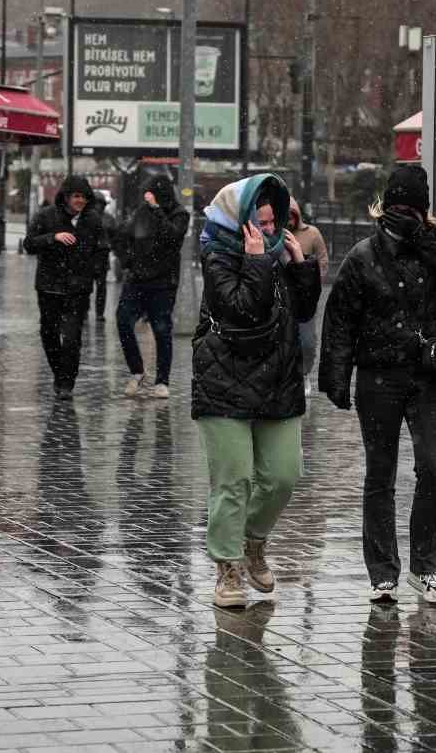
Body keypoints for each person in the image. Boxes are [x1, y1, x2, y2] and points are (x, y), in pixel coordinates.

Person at [319, 164, 436, 605]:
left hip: (428, 378)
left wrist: (426, 234)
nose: (405, 214)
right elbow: (341, 319)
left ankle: (427, 568)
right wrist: (336, 377)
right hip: (379, 378)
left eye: (414, 207)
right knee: (380, 474)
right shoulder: (363, 255)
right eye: (399, 206)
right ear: (384, 207)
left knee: (433, 469)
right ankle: (383, 573)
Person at [193, 173, 321, 609]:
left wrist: (299, 263)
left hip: (277, 380)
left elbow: (304, 311)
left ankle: (253, 542)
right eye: (261, 223)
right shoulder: (218, 256)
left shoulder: (274, 255)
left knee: (284, 474)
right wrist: (258, 262)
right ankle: (227, 567)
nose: (269, 232)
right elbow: (243, 311)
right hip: (224, 381)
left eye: (273, 222)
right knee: (235, 479)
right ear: (239, 221)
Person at [21, 176, 108, 396]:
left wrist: (93, 272)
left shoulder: (93, 220)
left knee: (71, 338)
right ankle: (59, 374)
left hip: (78, 290)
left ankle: (66, 384)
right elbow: (29, 244)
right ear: (66, 197)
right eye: (76, 196)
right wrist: (53, 238)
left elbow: (102, 249)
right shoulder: (46, 216)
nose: (80, 201)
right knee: (49, 334)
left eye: (84, 197)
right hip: (49, 287)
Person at [114, 174, 190, 398]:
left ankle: (162, 381)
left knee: (162, 329)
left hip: (163, 282)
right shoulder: (141, 212)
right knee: (123, 321)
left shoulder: (179, 214)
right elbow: (122, 235)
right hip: (137, 279)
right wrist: (128, 261)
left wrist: (157, 210)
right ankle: (137, 371)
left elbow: (173, 237)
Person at [287, 198, 329, 389]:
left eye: (292, 215)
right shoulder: (275, 233)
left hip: (305, 294)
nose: (289, 220)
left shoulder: (312, 234)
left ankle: (304, 373)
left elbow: (322, 260)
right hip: (284, 296)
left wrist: (314, 283)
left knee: (307, 341)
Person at [92, 197, 118, 320]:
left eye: (101, 204)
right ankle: (85, 311)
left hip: (102, 256)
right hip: (87, 256)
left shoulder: (109, 219)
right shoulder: (86, 217)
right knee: (85, 286)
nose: (99, 206)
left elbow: (115, 237)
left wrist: (109, 246)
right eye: (97, 204)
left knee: (101, 286)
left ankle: (99, 313)